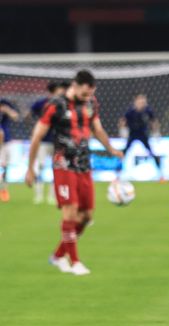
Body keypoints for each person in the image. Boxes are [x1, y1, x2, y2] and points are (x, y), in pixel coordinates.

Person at [25, 70, 123, 275]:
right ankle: (75, 262)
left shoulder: (90, 104)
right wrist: (30, 168)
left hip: (84, 165)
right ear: (75, 85)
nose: (88, 97)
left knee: (86, 216)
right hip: (64, 164)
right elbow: (36, 137)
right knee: (71, 210)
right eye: (85, 93)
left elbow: (98, 129)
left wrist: (111, 148)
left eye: (90, 94)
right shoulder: (55, 105)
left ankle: (58, 255)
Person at [29, 80, 69, 204]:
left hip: (52, 141)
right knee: (46, 167)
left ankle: (47, 196)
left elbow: (29, 115)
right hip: (47, 141)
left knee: (50, 168)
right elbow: (30, 114)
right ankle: (45, 195)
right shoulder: (46, 103)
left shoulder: (60, 103)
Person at [119, 94, 163, 182]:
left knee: (151, 152)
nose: (142, 103)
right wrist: (122, 130)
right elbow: (123, 121)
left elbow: (154, 121)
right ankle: (117, 174)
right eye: (140, 101)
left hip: (143, 134)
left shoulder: (148, 110)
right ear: (136, 101)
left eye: (143, 101)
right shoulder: (130, 111)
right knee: (124, 152)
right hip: (132, 134)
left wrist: (156, 132)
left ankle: (161, 174)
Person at [0, 98, 20, 202]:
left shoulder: (5, 102)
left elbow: (16, 116)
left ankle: (3, 190)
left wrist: (7, 110)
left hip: (5, 142)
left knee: (4, 166)